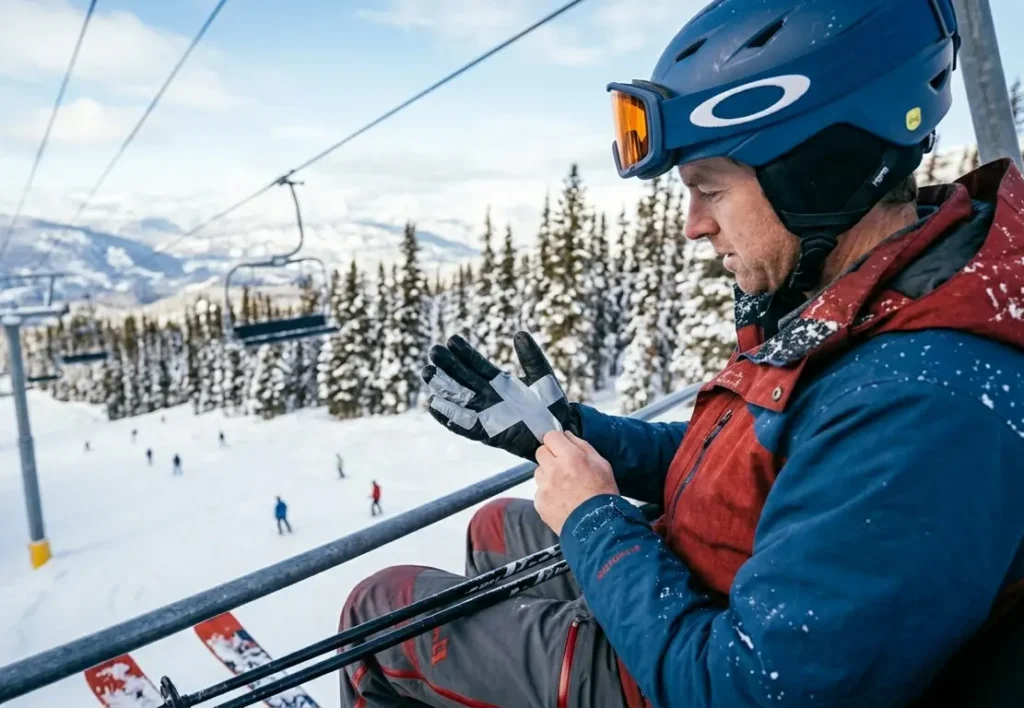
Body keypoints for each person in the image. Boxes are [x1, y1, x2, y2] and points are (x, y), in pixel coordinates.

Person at [338, 2, 1024, 707]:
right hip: (710, 585)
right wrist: (566, 430)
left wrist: (591, 516)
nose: (695, 226)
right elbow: (757, 460)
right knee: (496, 528)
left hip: (700, 666)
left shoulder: (919, 400)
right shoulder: (880, 290)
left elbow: (755, 689)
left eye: (709, 189)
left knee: (380, 615)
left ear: (818, 168)